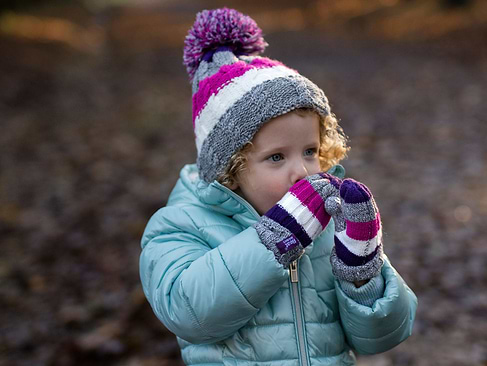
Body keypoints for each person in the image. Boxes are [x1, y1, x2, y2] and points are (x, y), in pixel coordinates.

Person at [139, 8, 417, 365]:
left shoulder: (327, 228)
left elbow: (382, 336)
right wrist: (274, 240)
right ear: (231, 168)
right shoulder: (180, 225)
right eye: (276, 157)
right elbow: (188, 313)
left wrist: (362, 275)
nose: (301, 171)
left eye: (310, 151)